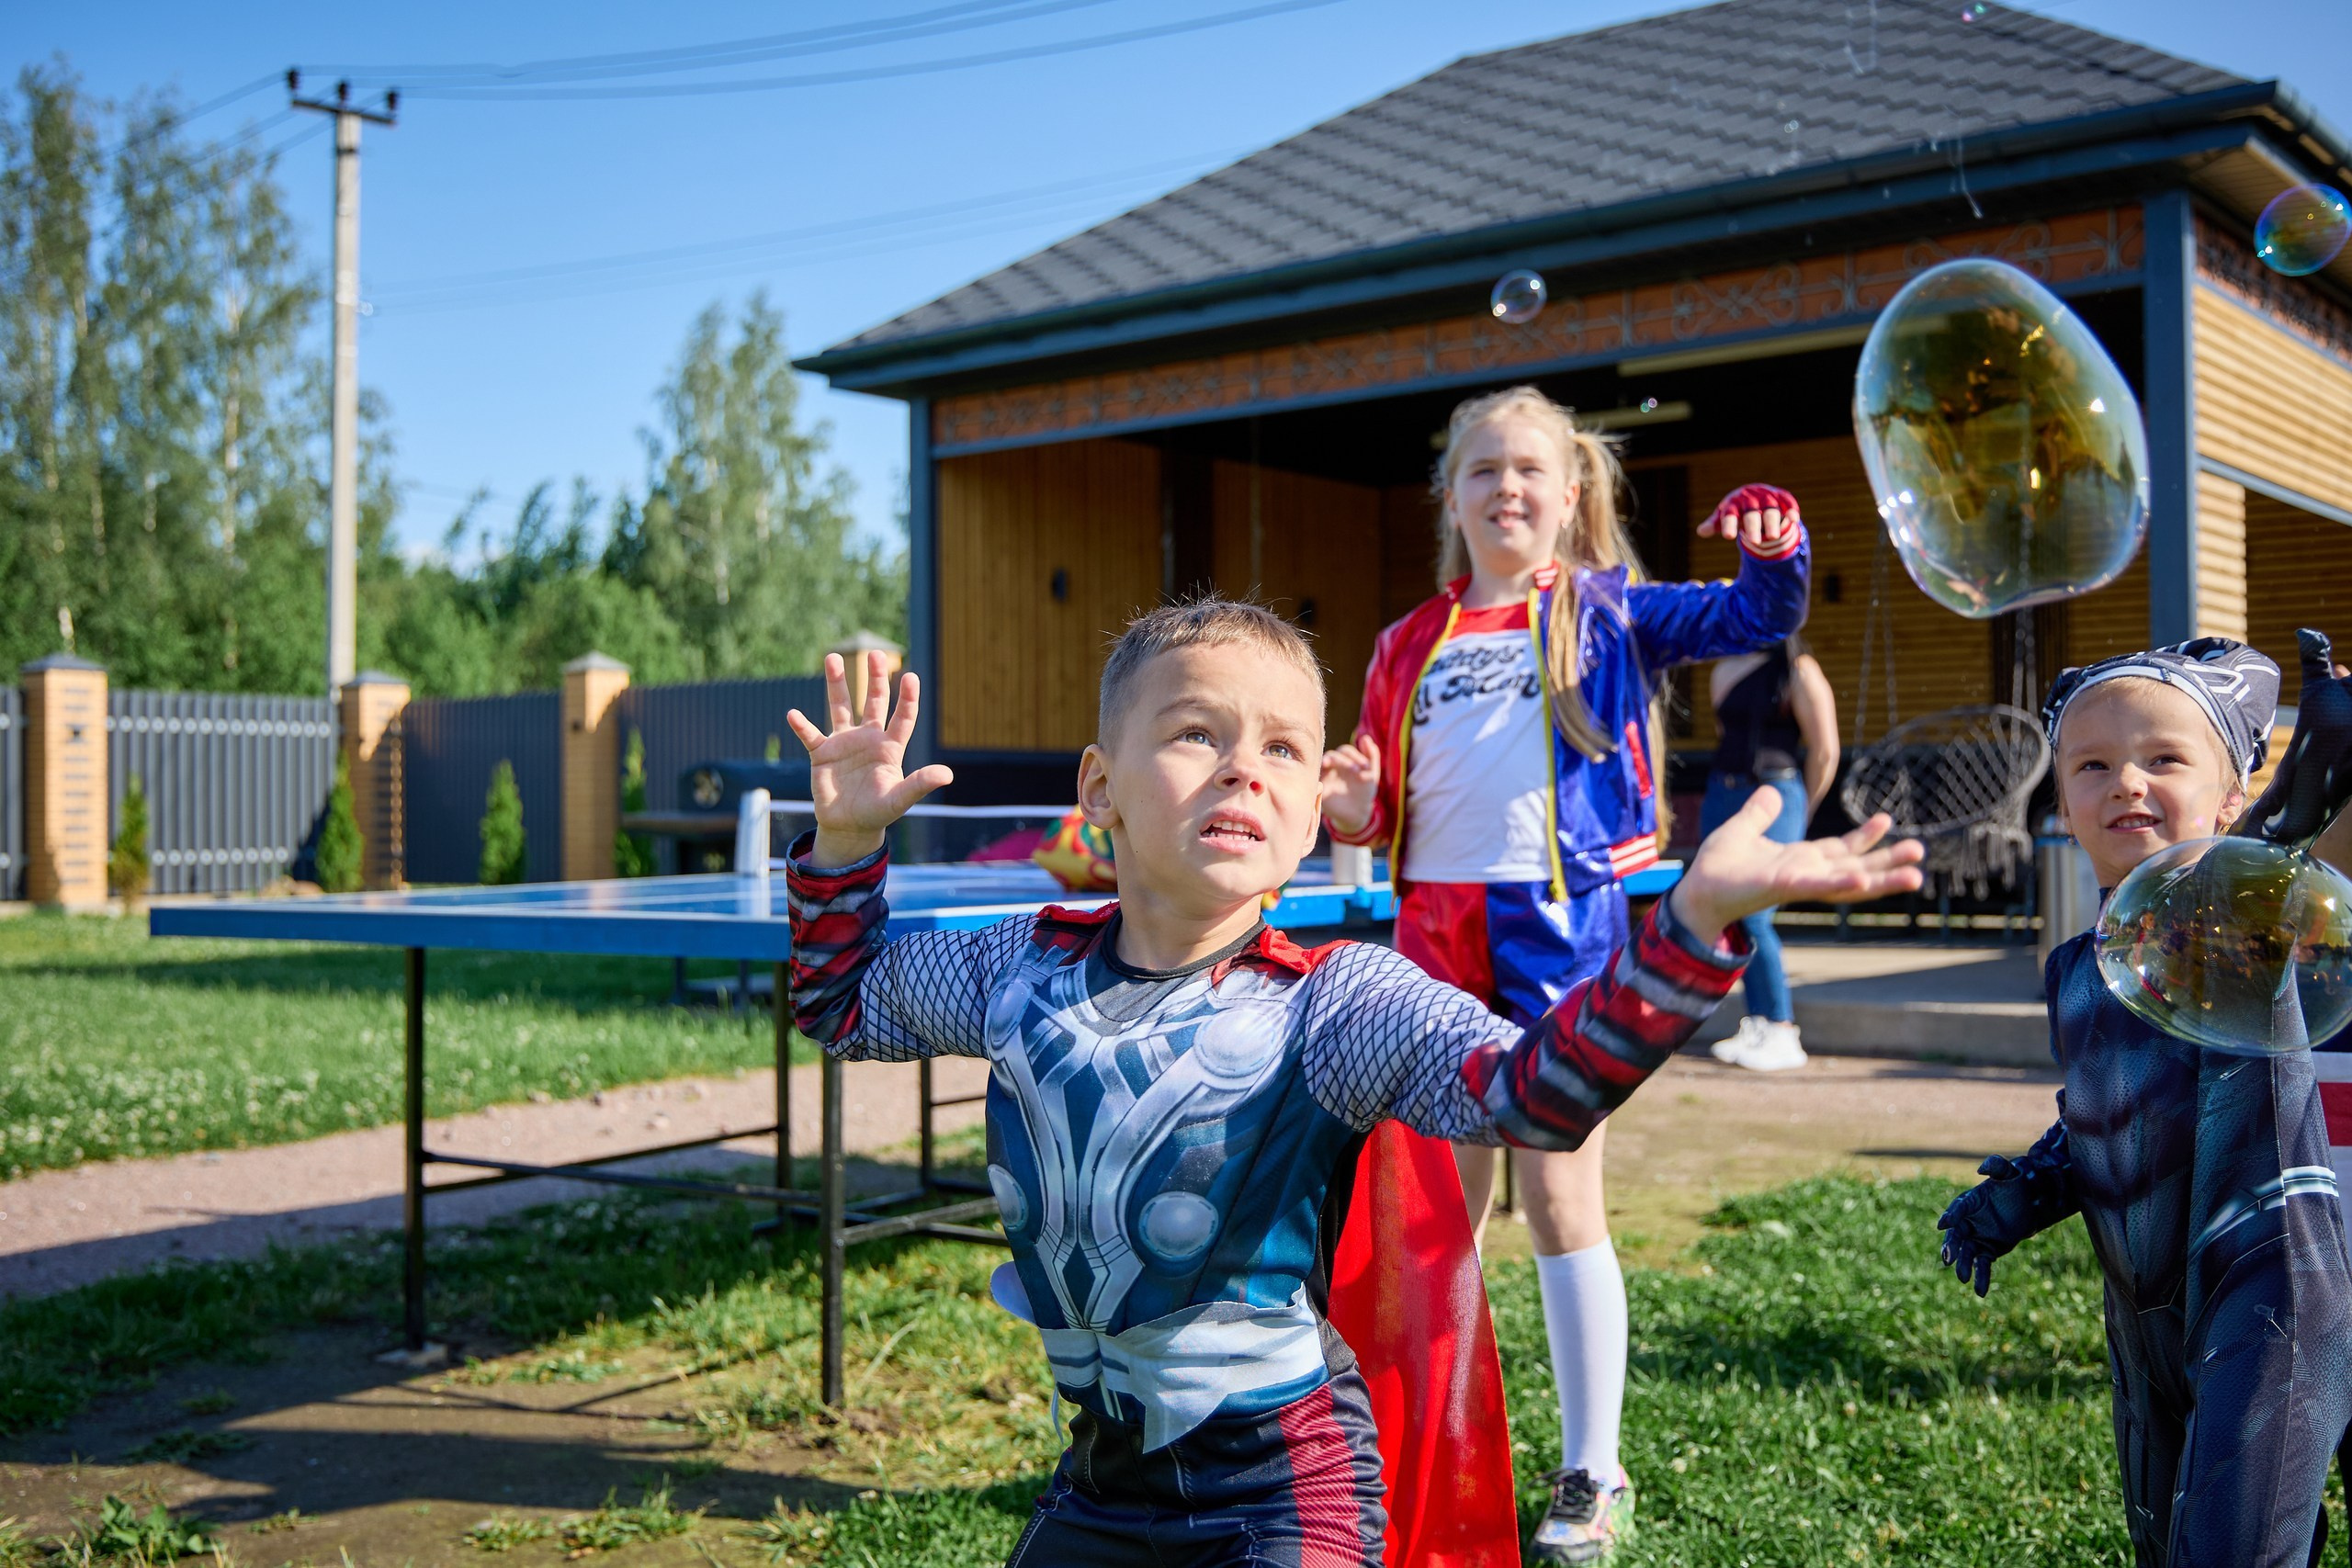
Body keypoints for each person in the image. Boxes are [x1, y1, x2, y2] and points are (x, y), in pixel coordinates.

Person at [787, 618, 1923, 1568]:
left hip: (1285, 1501)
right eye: (1196, 733)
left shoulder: (1339, 1003)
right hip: (1092, 1495)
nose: (1245, 768)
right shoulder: (1011, 968)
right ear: (1100, 788)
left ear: (1311, 806)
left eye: (1286, 749)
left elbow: (1532, 1096)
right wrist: (844, 843)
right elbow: (840, 1002)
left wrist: (1685, 934)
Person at [1317, 385, 1809, 1562]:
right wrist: (1348, 804)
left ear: (1572, 492)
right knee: (1438, 1216)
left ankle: (1594, 1471)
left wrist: (1776, 547)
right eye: (1482, 470)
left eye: (1529, 469)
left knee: (1557, 1198)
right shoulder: (1402, 642)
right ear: (1450, 497)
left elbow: (1754, 613)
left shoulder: (1611, 611)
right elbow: (1381, 800)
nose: (1507, 488)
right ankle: (1425, 1451)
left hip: (1564, 931)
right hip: (1432, 938)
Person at [1936, 637, 2352, 1567]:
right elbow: (2105, 1111)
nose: (2126, 781)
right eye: (2092, 765)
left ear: (2230, 795)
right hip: (2144, 1312)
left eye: (2164, 759)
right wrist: (2024, 1193)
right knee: (2163, 1539)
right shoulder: (2075, 970)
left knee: (2234, 1547)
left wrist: (2319, 760)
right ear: (2061, 799)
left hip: (2269, 1290)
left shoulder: (2232, 915)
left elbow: (2270, 852)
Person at [1699, 634, 1839, 1072]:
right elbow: (1725, 732)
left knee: (1756, 914)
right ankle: (1757, 1021)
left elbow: (1826, 749)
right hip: (1723, 792)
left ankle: (1781, 1028)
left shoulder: (1800, 669)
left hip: (1777, 791)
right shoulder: (1723, 667)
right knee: (1731, 914)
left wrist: (1802, 808)